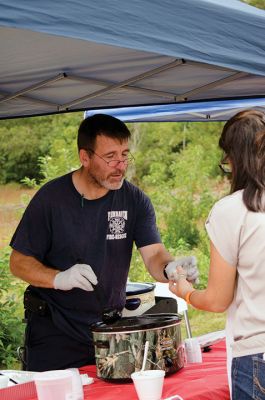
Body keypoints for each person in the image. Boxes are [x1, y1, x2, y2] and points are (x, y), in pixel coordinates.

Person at [9, 113, 199, 372]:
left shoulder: (134, 200)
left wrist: (170, 268)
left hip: (108, 331)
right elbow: (19, 262)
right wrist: (59, 278)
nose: (120, 166)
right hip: (55, 332)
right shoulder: (51, 200)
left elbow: (154, 254)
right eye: (110, 157)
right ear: (84, 157)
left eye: (124, 155)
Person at [169, 109, 265, 400]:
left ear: (234, 158)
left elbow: (217, 299)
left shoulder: (231, 210)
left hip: (256, 354)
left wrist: (185, 292)